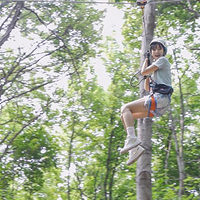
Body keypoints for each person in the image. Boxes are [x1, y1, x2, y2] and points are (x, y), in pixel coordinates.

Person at [120, 38, 173, 166]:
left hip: (160, 98)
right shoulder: (155, 70)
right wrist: (147, 67)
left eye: (159, 48)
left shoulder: (163, 61)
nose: (156, 51)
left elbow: (143, 71)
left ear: (164, 50)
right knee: (126, 116)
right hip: (160, 104)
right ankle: (134, 149)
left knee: (125, 108)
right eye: (153, 49)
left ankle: (132, 139)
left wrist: (145, 62)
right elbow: (147, 88)